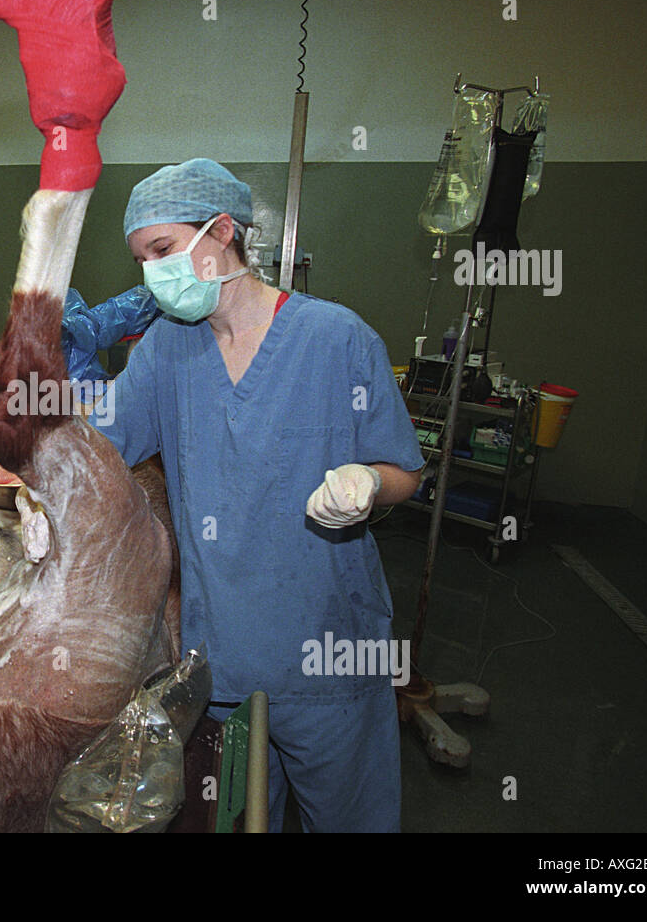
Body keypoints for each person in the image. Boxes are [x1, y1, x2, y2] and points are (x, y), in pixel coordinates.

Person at [91, 158, 425, 832]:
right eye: (141, 259)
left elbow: (404, 470)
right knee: (240, 818)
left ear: (221, 232)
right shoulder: (166, 351)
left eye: (162, 250)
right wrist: (25, 470)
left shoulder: (337, 338)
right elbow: (98, 446)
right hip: (226, 661)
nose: (153, 272)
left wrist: (369, 485)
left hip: (329, 651)